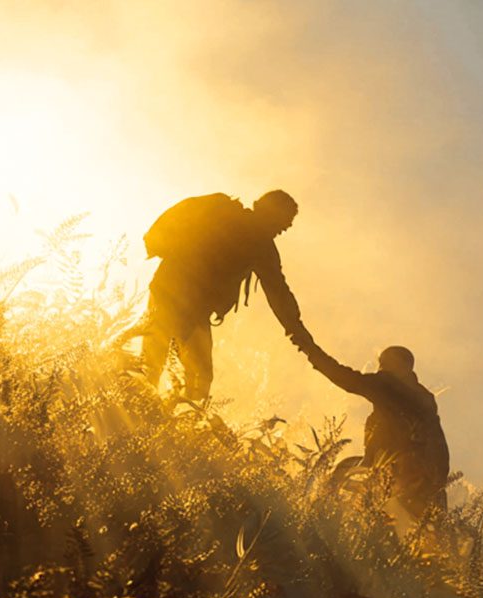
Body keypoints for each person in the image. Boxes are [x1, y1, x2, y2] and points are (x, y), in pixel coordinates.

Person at [137, 190, 310, 400]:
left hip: (171, 294)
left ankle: (148, 410)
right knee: (195, 375)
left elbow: (279, 293)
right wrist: (298, 331)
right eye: (286, 220)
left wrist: (297, 330)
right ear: (272, 214)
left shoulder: (230, 219)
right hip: (181, 303)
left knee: (155, 362)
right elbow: (279, 294)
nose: (286, 228)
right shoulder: (261, 246)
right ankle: (168, 417)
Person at [298, 341, 449, 519]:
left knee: (347, 476)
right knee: (346, 468)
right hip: (425, 483)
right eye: (380, 364)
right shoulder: (422, 400)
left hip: (406, 479)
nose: (380, 369)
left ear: (404, 367)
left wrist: (305, 344)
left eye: (385, 364)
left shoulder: (391, 387)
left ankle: (320, 515)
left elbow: (341, 375)